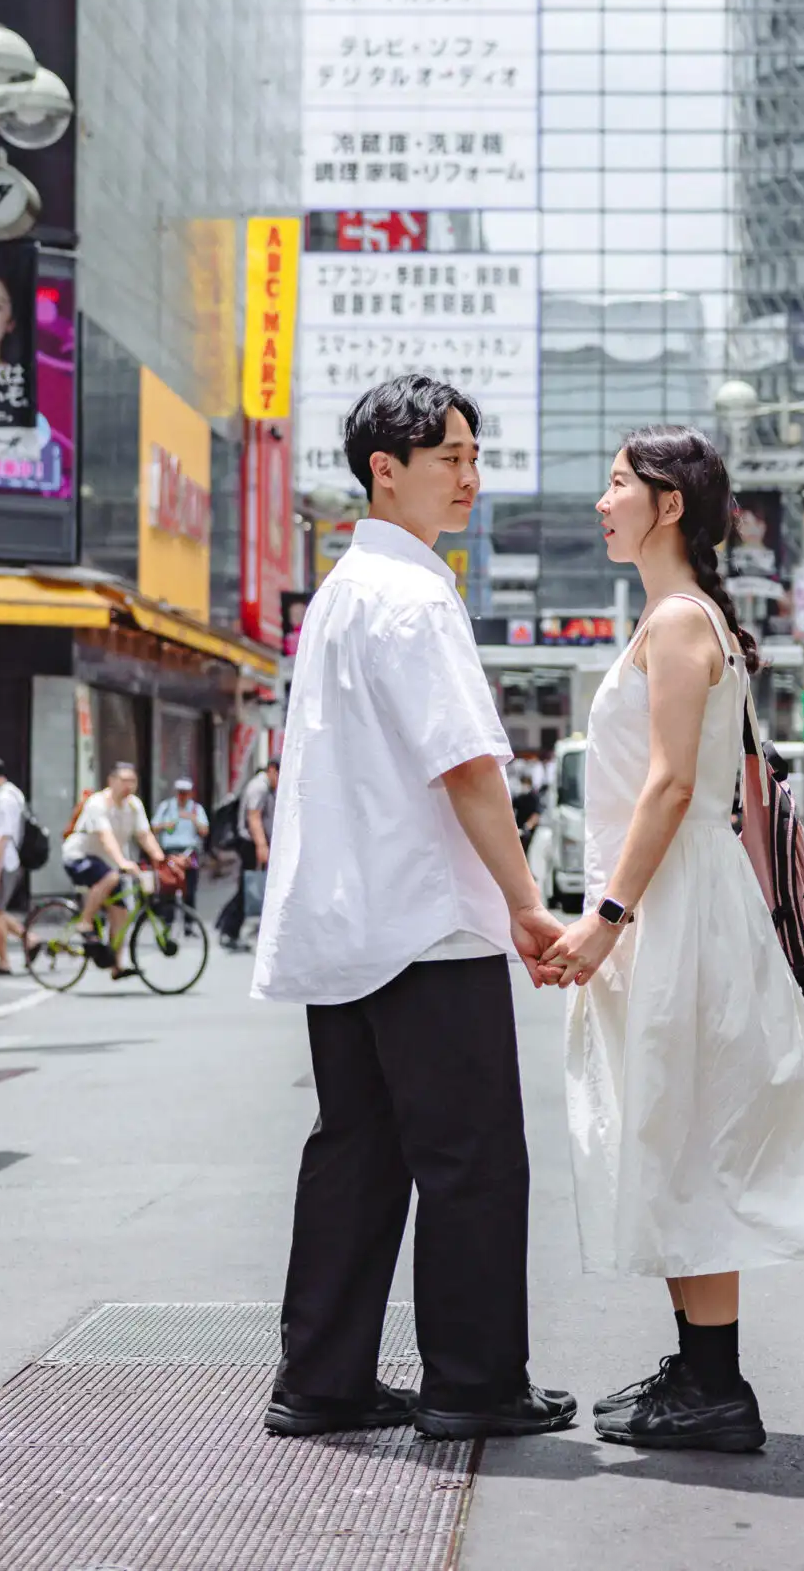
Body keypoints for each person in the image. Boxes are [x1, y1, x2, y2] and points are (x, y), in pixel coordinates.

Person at [254, 375, 575, 1444]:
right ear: (383, 468)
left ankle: (323, 1377)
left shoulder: (342, 589)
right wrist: (527, 903)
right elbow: (469, 763)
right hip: (425, 922)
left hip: (347, 922)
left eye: (473, 455)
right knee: (472, 1156)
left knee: (357, 1147)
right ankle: (473, 1381)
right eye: (449, 456)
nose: (469, 476)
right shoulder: (415, 591)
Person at [545, 428, 804, 1453]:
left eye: (618, 482)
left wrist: (605, 918)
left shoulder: (681, 622)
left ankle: (715, 1384)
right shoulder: (681, 616)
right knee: (680, 1132)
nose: (603, 499)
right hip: (681, 902)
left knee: (687, 1134)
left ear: (668, 503)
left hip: (676, 906)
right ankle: (700, 1369)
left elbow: (673, 784)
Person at [62, 762, 166, 977]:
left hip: (108, 862)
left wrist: (160, 858)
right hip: (79, 856)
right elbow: (105, 836)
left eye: (133, 781)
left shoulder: (134, 805)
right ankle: (85, 921)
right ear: (111, 782)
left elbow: (144, 835)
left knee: (121, 912)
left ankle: (116, 966)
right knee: (109, 876)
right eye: (124, 780)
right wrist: (122, 862)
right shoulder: (97, 803)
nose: (129, 786)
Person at [218, 757, 278, 951]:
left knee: (247, 887)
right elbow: (253, 817)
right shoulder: (258, 787)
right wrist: (261, 846)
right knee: (248, 888)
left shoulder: (266, 786)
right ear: (271, 770)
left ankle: (226, 924)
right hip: (249, 844)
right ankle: (228, 929)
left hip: (254, 843)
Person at [0, 758, 26, 975]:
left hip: (4, 862)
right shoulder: (9, 795)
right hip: (5, 861)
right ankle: (30, 939)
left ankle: (3, 960)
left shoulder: (6, 798)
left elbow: (4, 834)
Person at [151, 775, 210, 910]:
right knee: (168, 885)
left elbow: (205, 831)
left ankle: (189, 922)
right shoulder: (166, 806)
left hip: (189, 852)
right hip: (170, 851)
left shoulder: (196, 809)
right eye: (180, 792)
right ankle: (168, 920)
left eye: (185, 792)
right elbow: (153, 827)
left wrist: (193, 819)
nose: (182, 796)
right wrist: (166, 825)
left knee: (190, 888)